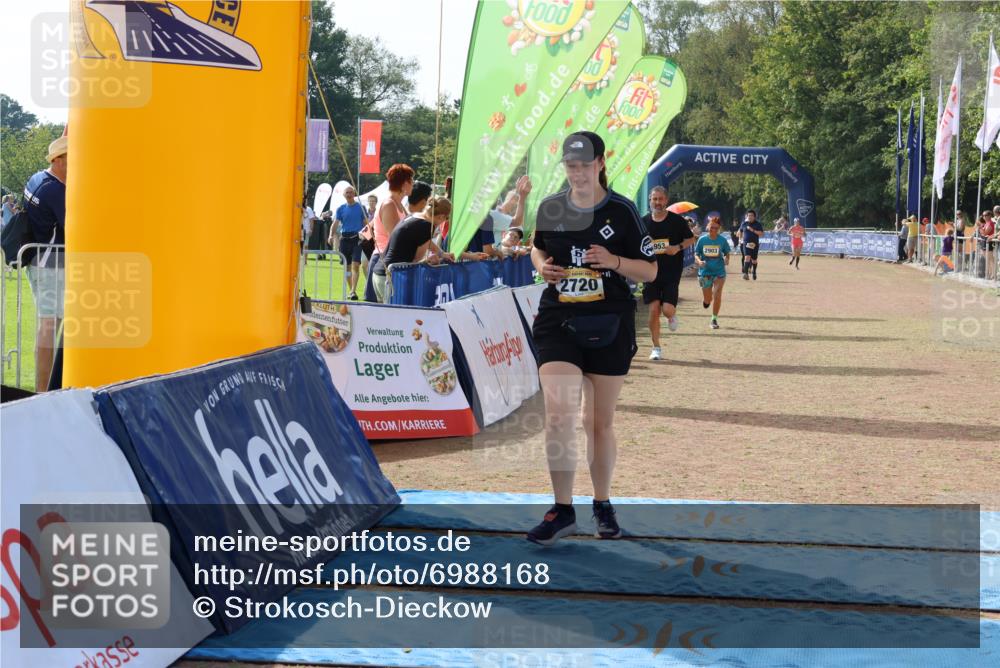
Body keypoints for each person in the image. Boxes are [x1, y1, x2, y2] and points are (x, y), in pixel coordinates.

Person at [527, 131, 656, 545]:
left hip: (610, 322)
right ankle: (562, 509)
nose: (578, 173)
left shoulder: (622, 210)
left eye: (585, 165)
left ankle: (602, 503)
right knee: (559, 415)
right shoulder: (551, 207)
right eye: (571, 166)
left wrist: (614, 261)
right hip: (559, 320)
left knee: (597, 422)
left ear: (601, 163)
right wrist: (542, 265)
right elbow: (536, 248)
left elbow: (650, 270)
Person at [23, 135, 68, 392]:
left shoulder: (37, 178)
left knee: (49, 325)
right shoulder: (56, 191)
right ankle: (42, 391)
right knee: (50, 327)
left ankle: (44, 388)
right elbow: (74, 227)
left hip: (39, 262)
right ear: (59, 160)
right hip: (51, 266)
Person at [376, 185, 455, 303]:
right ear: (441, 216)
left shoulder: (414, 216)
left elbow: (425, 241)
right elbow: (416, 261)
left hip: (380, 272)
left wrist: (442, 254)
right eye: (447, 218)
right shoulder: (427, 226)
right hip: (392, 277)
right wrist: (428, 260)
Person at [642, 186, 695, 361]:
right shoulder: (642, 222)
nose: (657, 202)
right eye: (654, 199)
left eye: (660, 199)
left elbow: (690, 239)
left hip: (671, 272)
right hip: (650, 272)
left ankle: (671, 316)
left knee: (666, 310)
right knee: (653, 310)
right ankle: (656, 347)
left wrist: (677, 247)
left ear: (666, 200)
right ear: (650, 200)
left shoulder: (677, 221)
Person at [365, 164, 413, 302]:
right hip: (383, 262)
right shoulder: (389, 205)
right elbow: (397, 237)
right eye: (411, 181)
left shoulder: (399, 204)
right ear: (404, 184)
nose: (413, 184)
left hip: (392, 262)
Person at [694, 215, 732, 330]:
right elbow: (696, 253)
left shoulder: (722, 240)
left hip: (719, 272)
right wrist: (699, 261)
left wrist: (727, 259)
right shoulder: (702, 240)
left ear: (719, 228)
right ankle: (706, 301)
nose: (713, 230)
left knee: (717, 294)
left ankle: (714, 319)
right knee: (708, 299)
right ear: (708, 227)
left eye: (716, 228)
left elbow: (727, 253)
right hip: (705, 272)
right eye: (712, 227)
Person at [330, 186, 367, 300]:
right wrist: (331, 235)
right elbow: (335, 223)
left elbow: (366, 223)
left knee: (356, 265)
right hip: (344, 240)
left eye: (351, 192)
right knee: (347, 267)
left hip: (357, 239)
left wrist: (367, 236)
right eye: (347, 192)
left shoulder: (361, 207)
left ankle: (353, 290)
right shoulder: (341, 208)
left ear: (354, 194)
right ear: (344, 195)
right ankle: (351, 290)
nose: (349, 194)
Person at [739, 209, 764, 280]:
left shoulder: (758, 224)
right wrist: (740, 239)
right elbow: (740, 231)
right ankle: (746, 274)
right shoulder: (744, 223)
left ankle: (754, 272)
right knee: (747, 257)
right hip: (746, 243)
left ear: (754, 217)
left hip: (754, 244)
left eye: (751, 215)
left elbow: (761, 234)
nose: (749, 217)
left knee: (754, 260)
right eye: (748, 215)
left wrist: (752, 230)